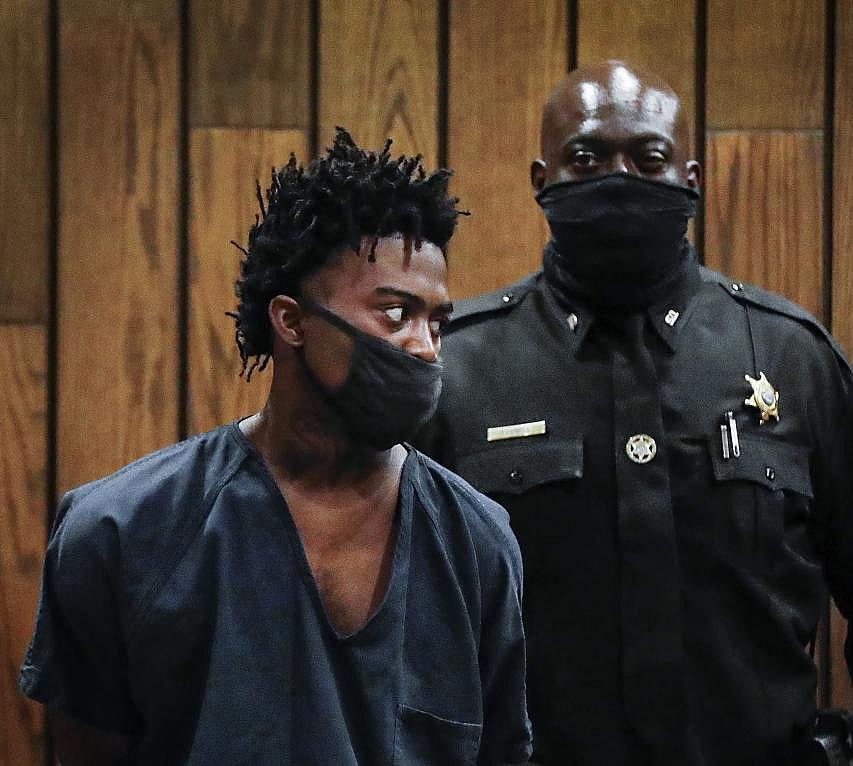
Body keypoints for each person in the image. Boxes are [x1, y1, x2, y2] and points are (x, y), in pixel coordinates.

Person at [417, 61, 853, 765]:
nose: (619, 178)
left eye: (649, 158)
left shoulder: (791, 357)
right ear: (541, 180)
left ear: (691, 180)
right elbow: (404, 617)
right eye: (586, 158)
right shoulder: (457, 369)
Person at [20, 129, 531, 765]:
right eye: (396, 313)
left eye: (437, 322)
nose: (425, 348)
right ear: (291, 321)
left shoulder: (477, 542)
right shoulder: (123, 531)